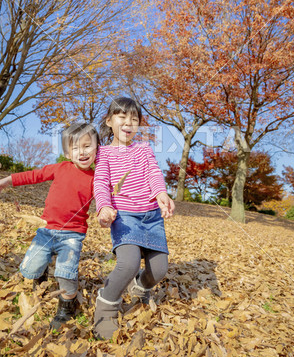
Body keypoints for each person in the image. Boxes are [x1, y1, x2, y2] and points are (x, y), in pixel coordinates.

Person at [0, 122, 99, 330]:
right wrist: (9, 180)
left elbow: (107, 198)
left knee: (65, 273)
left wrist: (108, 212)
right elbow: (34, 175)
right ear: (66, 152)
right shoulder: (60, 168)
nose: (82, 152)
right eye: (75, 148)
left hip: (72, 235)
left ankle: (66, 307)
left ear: (97, 148)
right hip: (46, 230)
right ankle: (41, 271)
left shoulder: (96, 178)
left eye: (88, 146)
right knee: (28, 270)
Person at [93, 97, 175, 340]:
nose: (128, 122)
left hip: (151, 217)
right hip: (125, 216)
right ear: (109, 121)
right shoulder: (104, 153)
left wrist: (161, 193)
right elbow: (100, 183)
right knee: (128, 264)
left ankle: (139, 288)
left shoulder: (144, 150)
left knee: (159, 270)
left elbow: (153, 173)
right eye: (122, 116)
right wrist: (103, 208)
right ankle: (106, 307)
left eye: (134, 119)